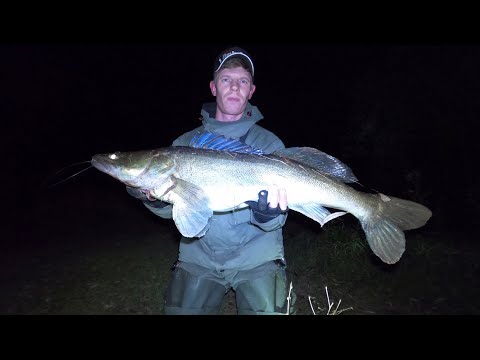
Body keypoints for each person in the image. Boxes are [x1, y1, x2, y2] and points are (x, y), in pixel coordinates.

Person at [127, 46, 296, 315]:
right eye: (226, 79)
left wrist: (267, 215)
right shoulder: (184, 144)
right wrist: (148, 195)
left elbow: (278, 219)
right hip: (199, 256)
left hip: (257, 258)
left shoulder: (269, 144)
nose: (234, 87)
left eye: (243, 81)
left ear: (251, 90)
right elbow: (172, 211)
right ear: (213, 87)